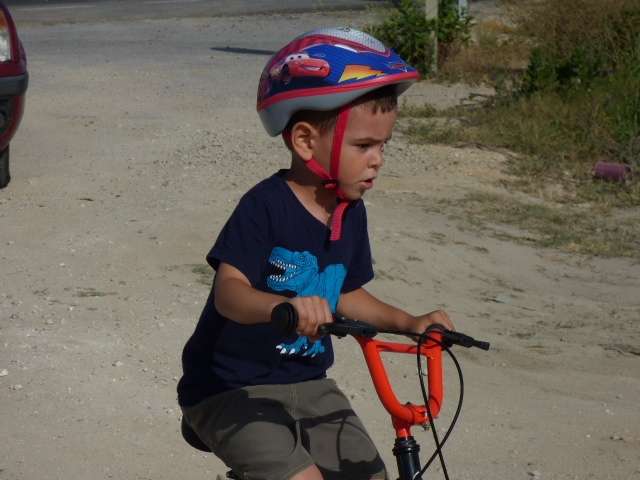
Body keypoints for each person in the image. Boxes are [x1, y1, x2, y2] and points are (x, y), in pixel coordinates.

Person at [177, 27, 454, 480]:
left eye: (383, 145)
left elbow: (344, 291)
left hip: (308, 383)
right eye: (364, 146)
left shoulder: (350, 212)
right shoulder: (265, 206)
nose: (378, 159)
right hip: (230, 388)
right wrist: (282, 307)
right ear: (305, 141)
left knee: (368, 473)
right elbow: (229, 293)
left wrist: (410, 323)